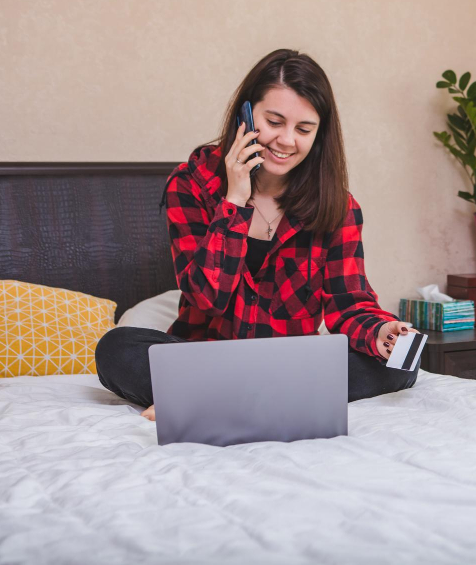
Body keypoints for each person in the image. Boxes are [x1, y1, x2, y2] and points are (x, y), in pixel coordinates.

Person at [95, 49, 419, 420]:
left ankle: (219, 398)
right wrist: (235, 199)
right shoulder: (191, 184)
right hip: (205, 358)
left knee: (404, 363)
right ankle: (265, 396)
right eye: (274, 121)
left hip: (288, 362)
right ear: (246, 115)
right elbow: (206, 297)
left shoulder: (338, 206)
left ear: (319, 135)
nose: (285, 140)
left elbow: (349, 303)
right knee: (116, 347)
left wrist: (381, 332)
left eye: (303, 129)